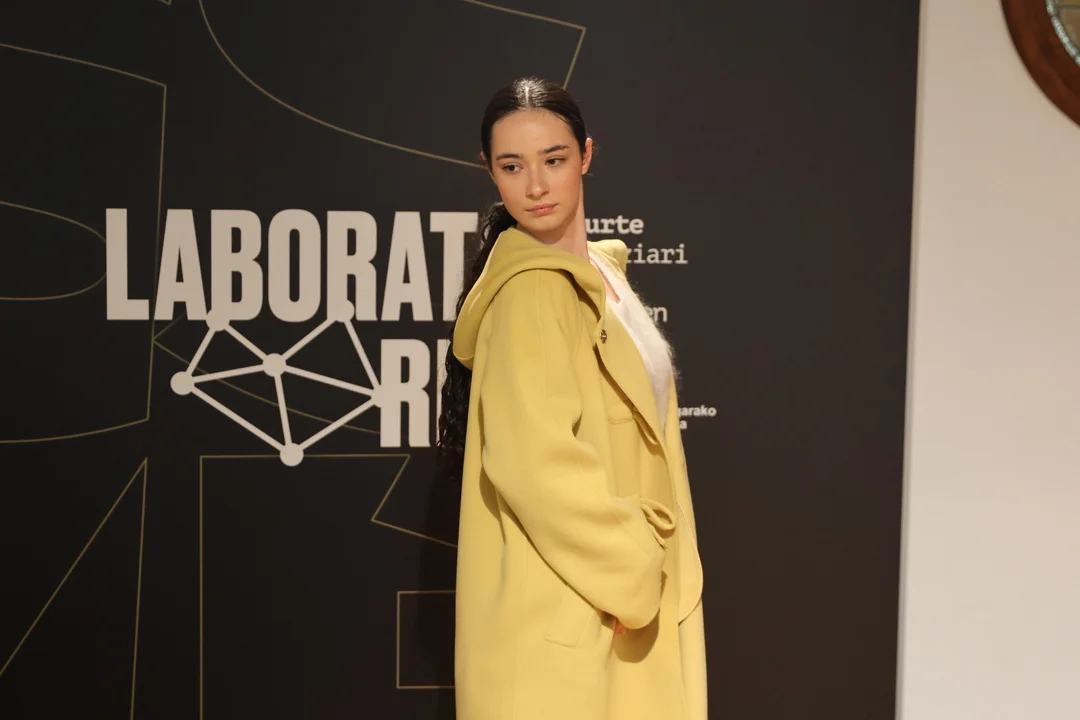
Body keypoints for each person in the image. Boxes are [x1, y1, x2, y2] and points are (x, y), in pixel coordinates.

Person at [436, 76, 706, 720]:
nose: (535, 185)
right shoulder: (532, 292)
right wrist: (634, 570)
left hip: (608, 610)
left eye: (553, 160)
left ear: (585, 155)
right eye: (512, 166)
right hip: (573, 620)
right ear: (490, 171)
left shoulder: (602, 276)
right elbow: (534, 462)